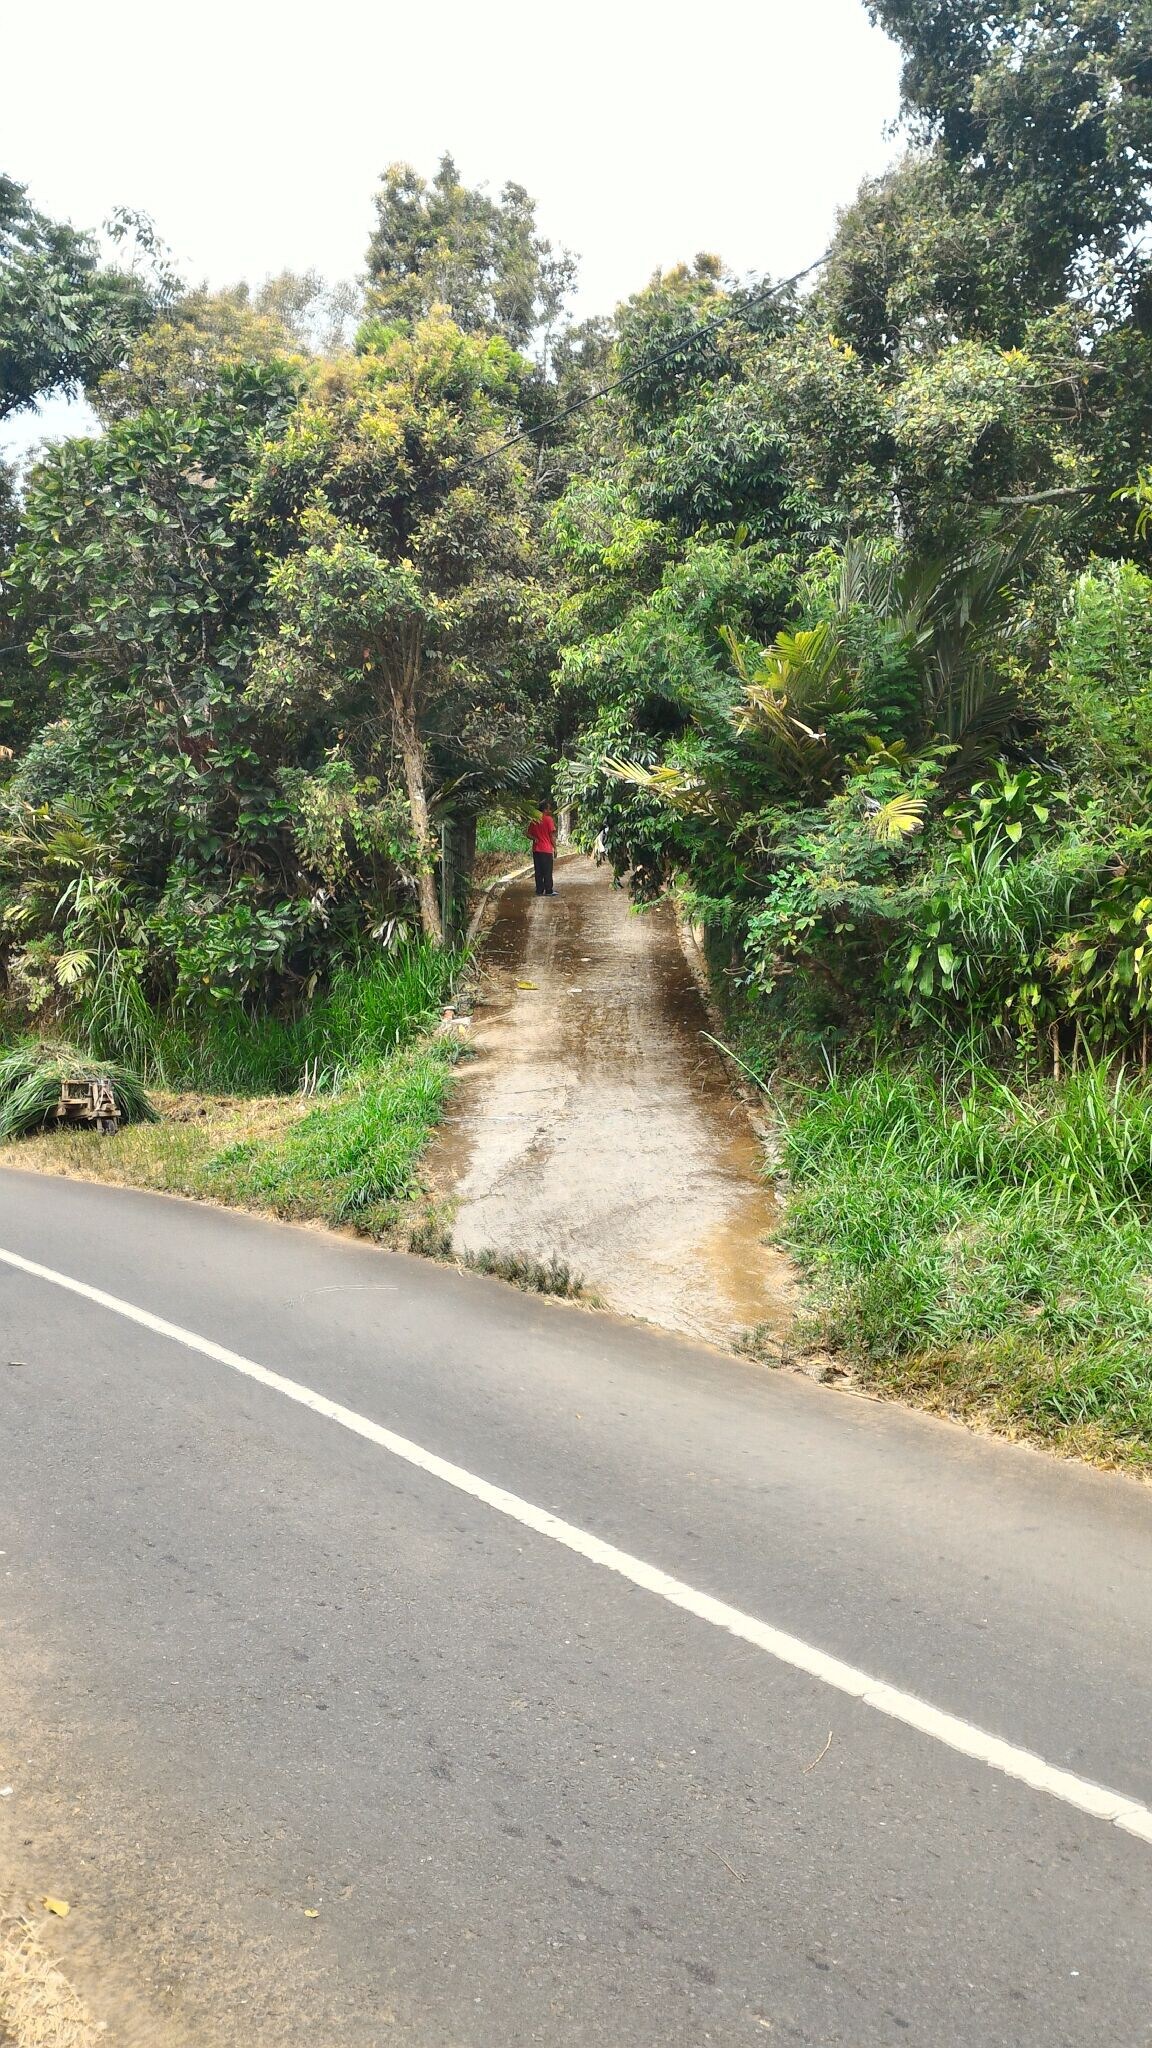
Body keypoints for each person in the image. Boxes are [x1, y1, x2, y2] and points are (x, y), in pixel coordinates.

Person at [528, 806, 557, 896]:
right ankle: (548, 890)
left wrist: (535, 838)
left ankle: (539, 890)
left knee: (538, 871)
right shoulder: (548, 819)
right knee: (547, 871)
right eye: (548, 809)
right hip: (546, 849)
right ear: (544, 810)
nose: (550, 810)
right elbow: (552, 836)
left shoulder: (534, 820)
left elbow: (528, 834)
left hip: (536, 849)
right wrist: (555, 847)